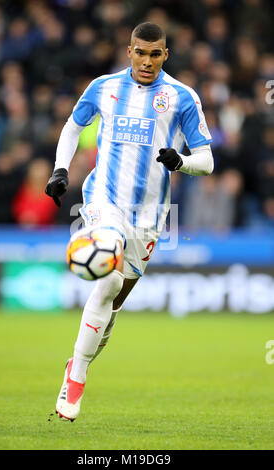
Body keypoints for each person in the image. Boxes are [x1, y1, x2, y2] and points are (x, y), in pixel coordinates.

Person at [45, 22, 214, 422]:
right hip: (104, 198)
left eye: (155, 54)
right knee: (107, 279)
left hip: (150, 217)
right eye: (140, 52)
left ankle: (79, 360)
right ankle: (78, 377)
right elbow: (73, 127)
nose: (147, 61)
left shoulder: (182, 97)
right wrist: (59, 170)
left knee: (114, 299)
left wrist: (181, 162)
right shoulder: (103, 87)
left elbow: (206, 161)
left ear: (165, 56)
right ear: (129, 51)